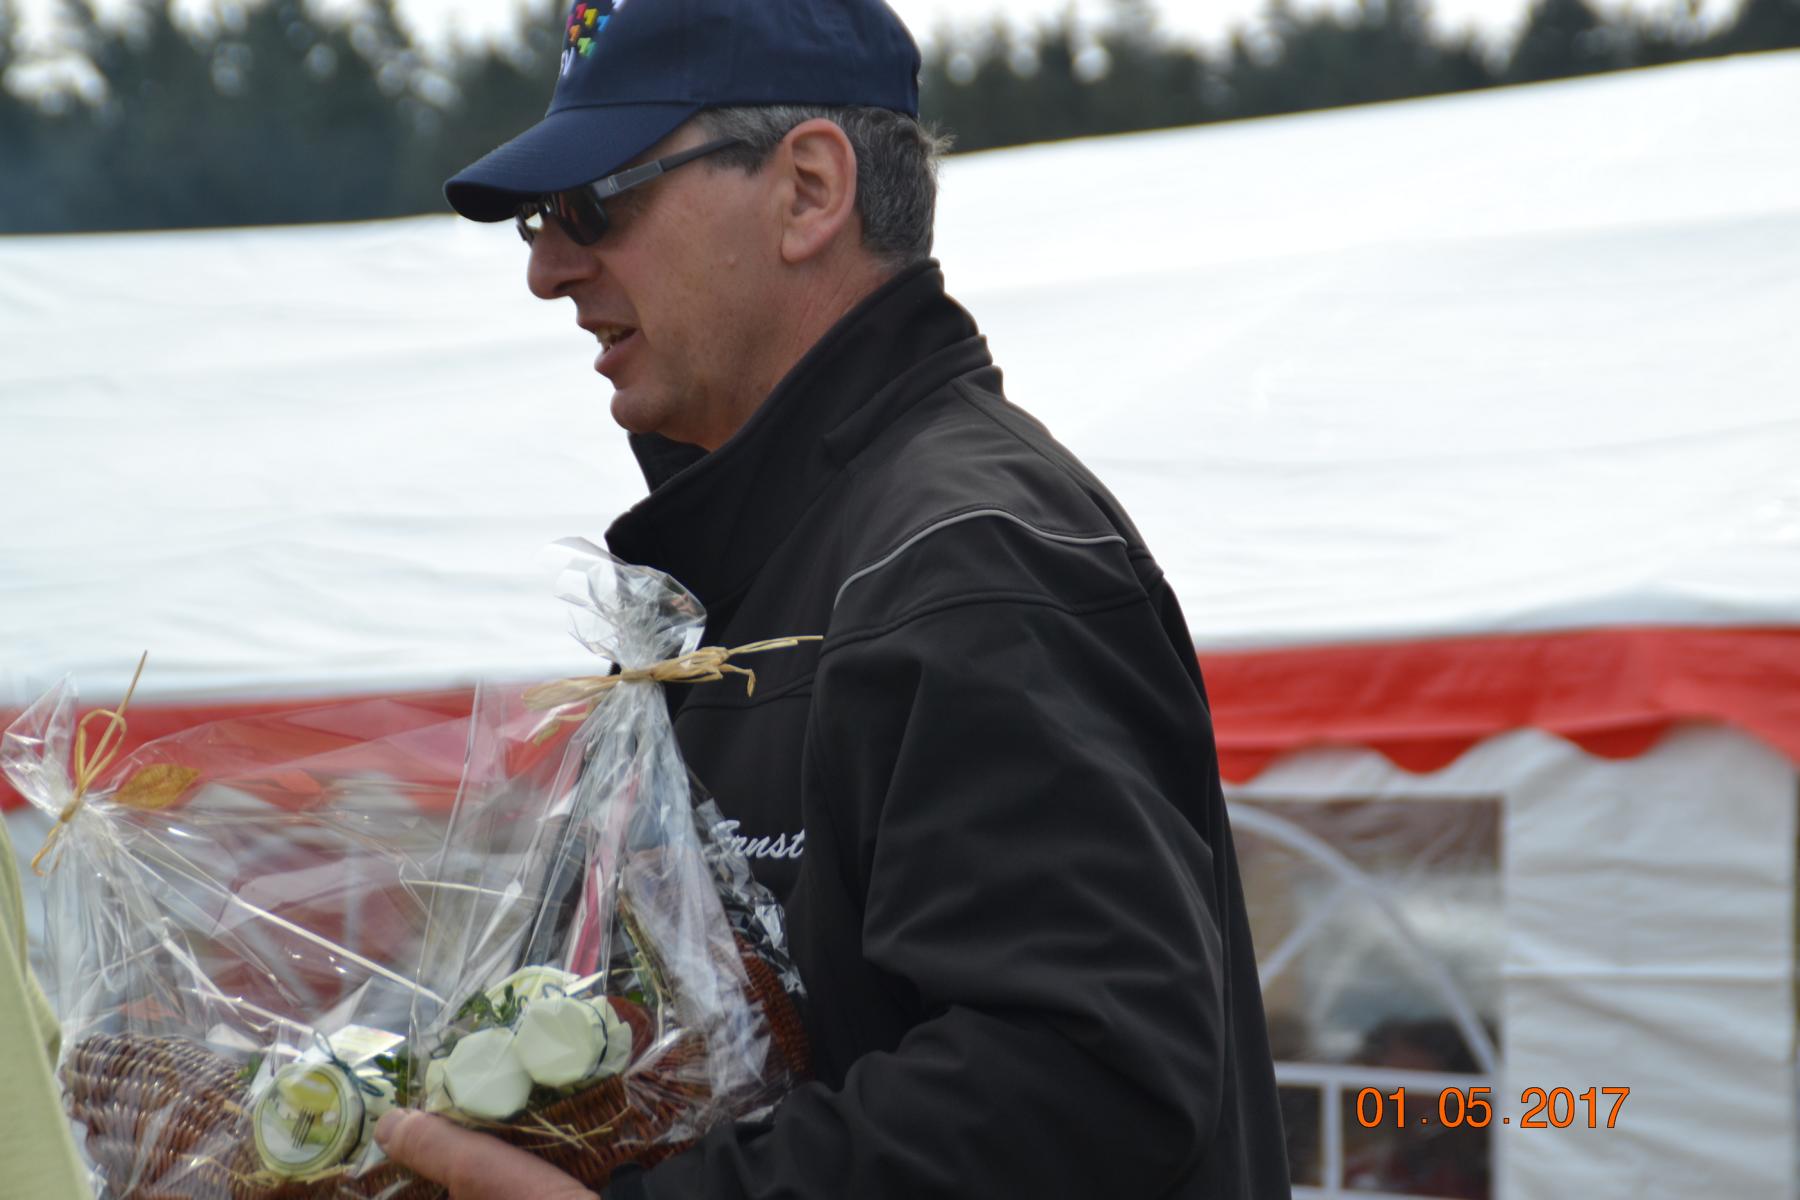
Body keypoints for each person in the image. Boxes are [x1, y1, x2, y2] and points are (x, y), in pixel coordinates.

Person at [377, 0, 1290, 1195]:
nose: (549, 268)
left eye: (594, 203)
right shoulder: (769, 556)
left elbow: (1088, 1084)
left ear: (808, 190)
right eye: (539, 221)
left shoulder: (965, 561)